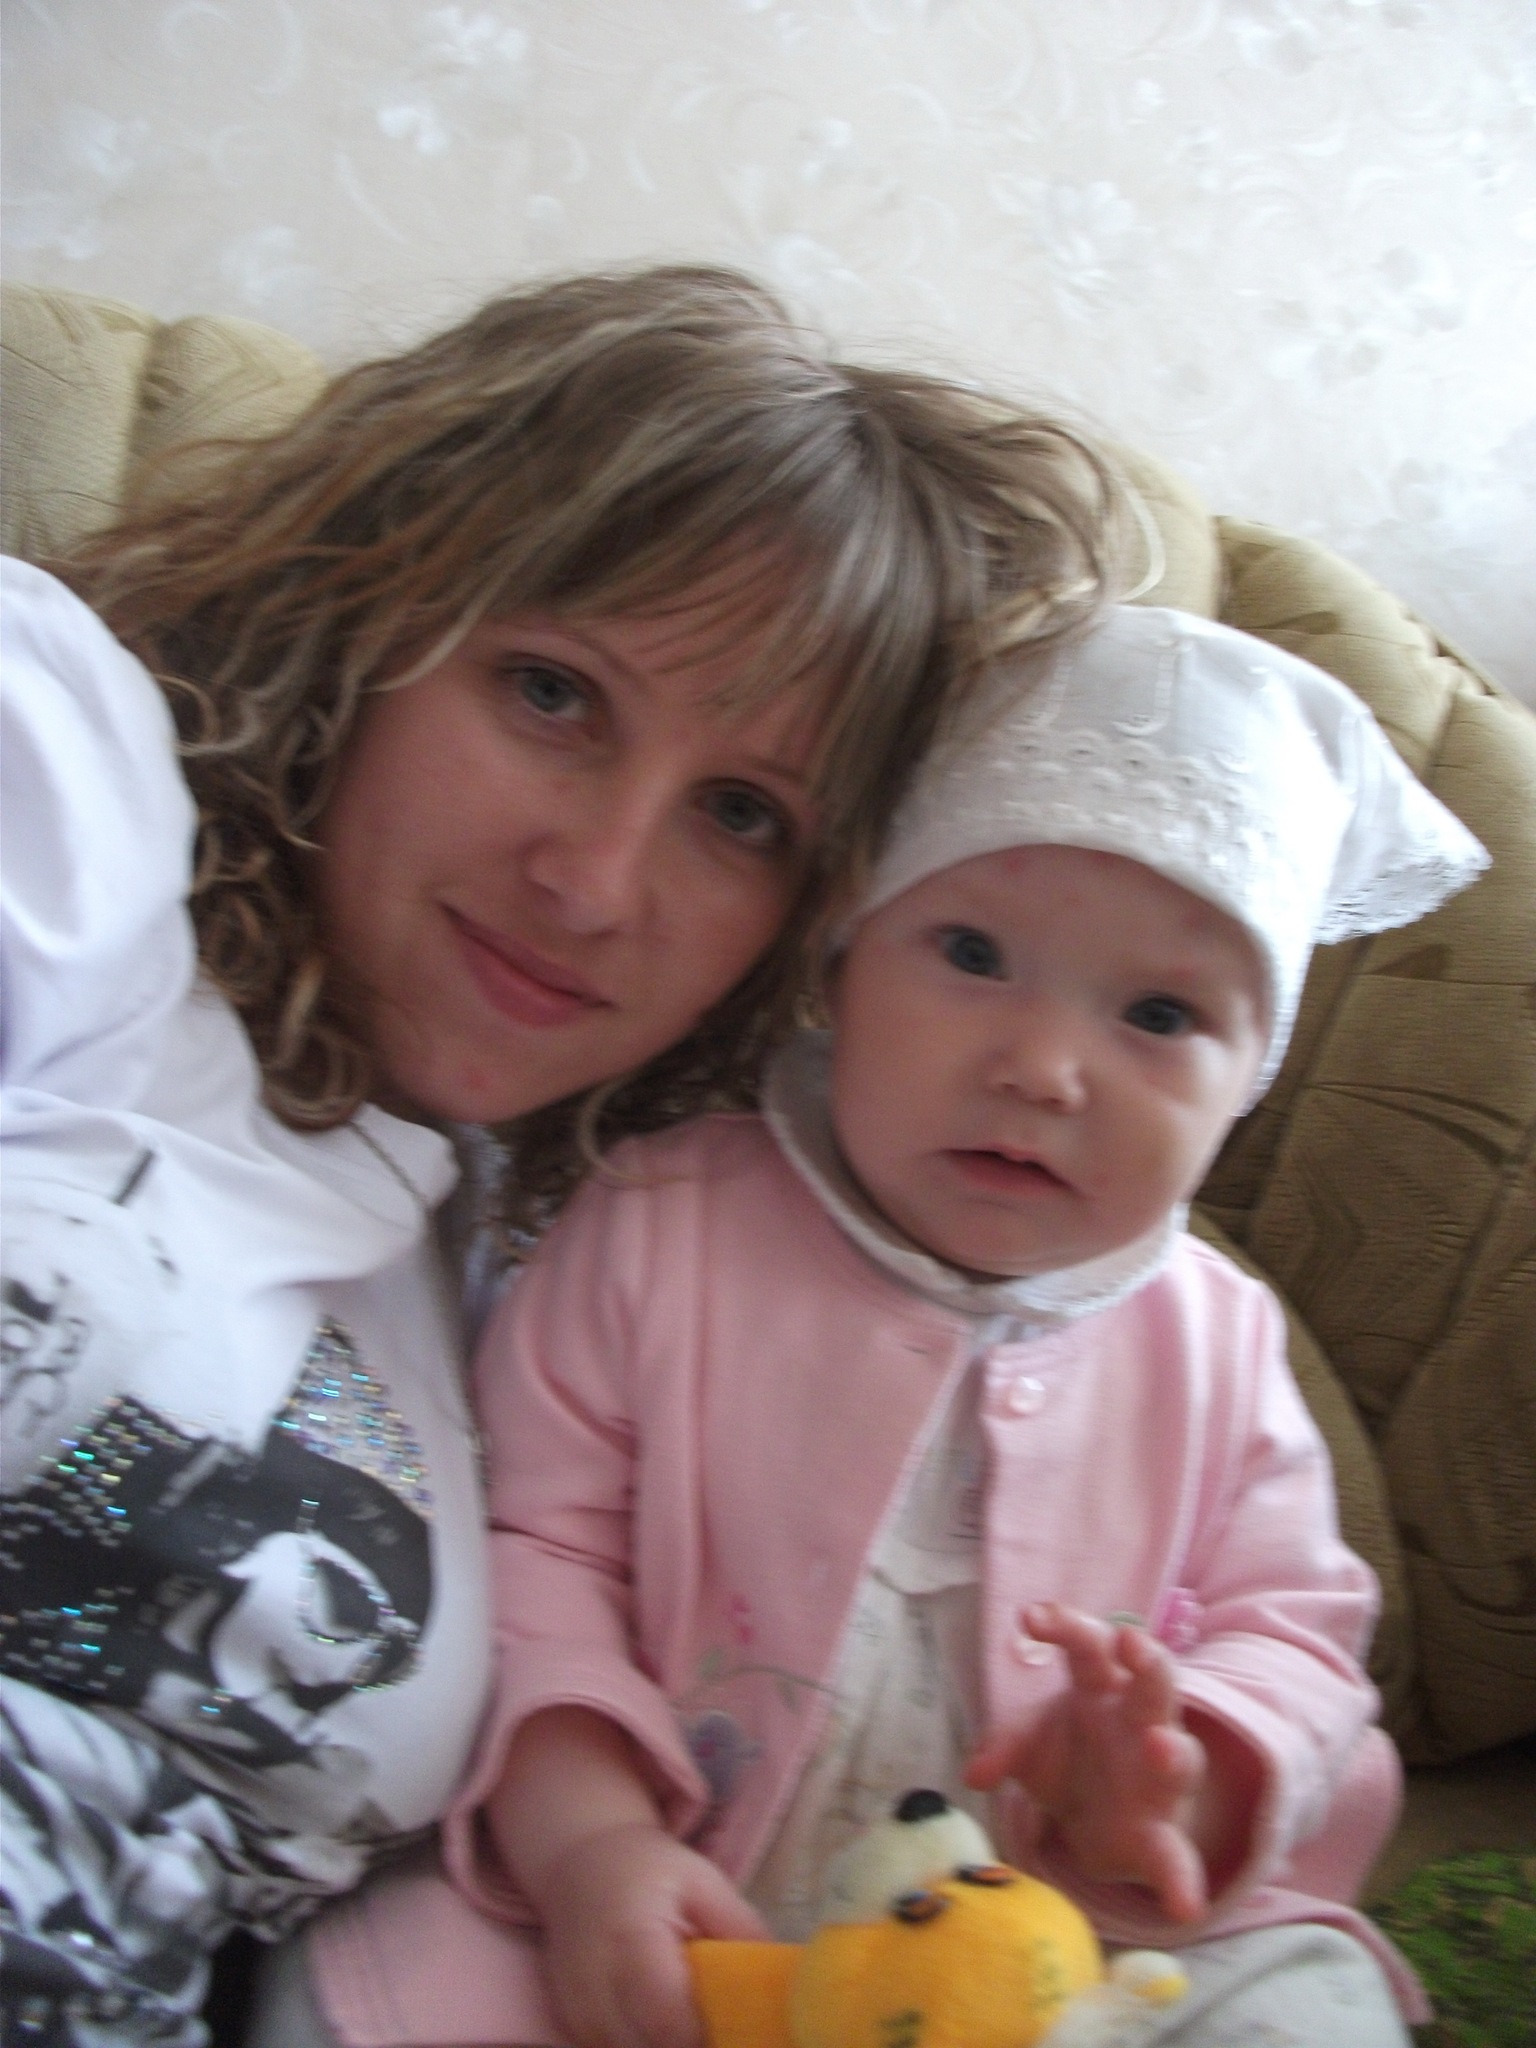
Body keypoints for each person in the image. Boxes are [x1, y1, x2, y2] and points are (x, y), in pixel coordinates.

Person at [0, 264, 1128, 2048]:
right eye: (551, 693)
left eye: (742, 816)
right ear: (360, 612)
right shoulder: (64, 793)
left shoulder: (549, 1299)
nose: (596, 886)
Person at [430, 606, 1488, 2048]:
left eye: (1160, 1015)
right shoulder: (657, 1219)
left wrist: (1180, 1775)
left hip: (1079, 1949)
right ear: (841, 962)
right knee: (381, 1979)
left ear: (1249, 1084)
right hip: (685, 1896)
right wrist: (589, 1844)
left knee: (1308, 2005)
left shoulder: (1223, 1343)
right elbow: (533, 1555)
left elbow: (1301, 1633)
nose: (1042, 1069)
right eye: (974, 952)